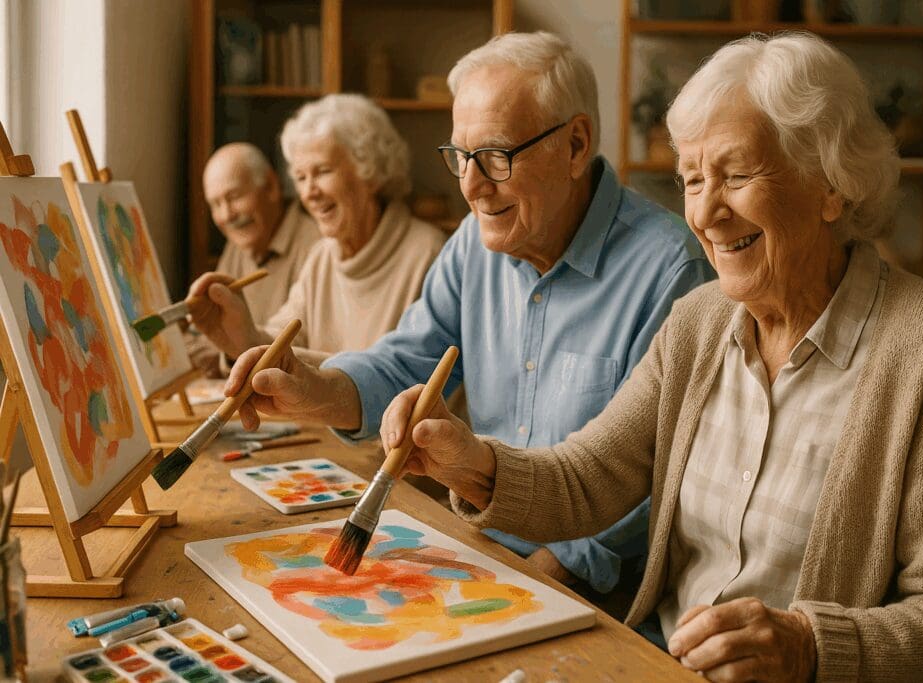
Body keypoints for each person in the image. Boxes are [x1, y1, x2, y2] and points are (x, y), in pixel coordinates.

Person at [376, 32, 923, 681]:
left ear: (832, 185)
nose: (705, 212)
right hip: (657, 662)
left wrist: (806, 645)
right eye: (691, 179)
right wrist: (472, 463)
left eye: (735, 175)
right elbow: (590, 477)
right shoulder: (700, 320)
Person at [223, 32, 714, 595]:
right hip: (482, 552)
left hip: (596, 591)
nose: (471, 186)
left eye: (496, 157)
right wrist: (317, 389)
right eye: (460, 156)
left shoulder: (672, 270)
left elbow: (659, 481)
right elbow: (408, 362)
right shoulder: (473, 244)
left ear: (576, 145)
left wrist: (548, 576)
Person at [190, 95, 448, 365]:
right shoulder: (322, 257)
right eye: (301, 178)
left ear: (370, 172)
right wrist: (240, 339)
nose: (309, 193)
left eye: (323, 172)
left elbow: (403, 377)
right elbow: (281, 341)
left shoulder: (428, 254)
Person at [188, 142, 321, 375]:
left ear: (270, 187)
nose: (227, 215)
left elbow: (305, 350)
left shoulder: (317, 246)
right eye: (216, 204)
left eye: (235, 196)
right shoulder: (238, 246)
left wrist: (227, 353)